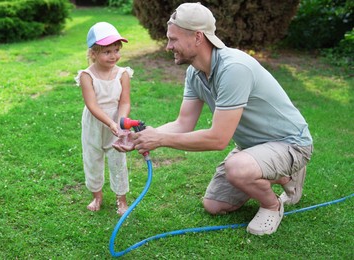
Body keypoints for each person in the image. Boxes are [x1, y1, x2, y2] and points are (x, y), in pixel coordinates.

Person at [113, 3, 313, 235]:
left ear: (197, 37)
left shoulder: (234, 68)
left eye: (174, 39)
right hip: (254, 147)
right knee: (214, 205)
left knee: (236, 168)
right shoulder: (195, 73)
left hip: (291, 143)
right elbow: (183, 124)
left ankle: (271, 205)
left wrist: (160, 140)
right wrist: (140, 138)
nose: (168, 46)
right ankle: (284, 176)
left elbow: (218, 139)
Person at [75, 22, 133, 216]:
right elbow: (92, 105)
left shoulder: (123, 74)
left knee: (118, 159)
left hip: (116, 120)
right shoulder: (86, 76)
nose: (114, 55)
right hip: (95, 122)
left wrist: (121, 122)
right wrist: (109, 123)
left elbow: (124, 102)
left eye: (116, 50)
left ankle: (121, 199)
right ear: (93, 53)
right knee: (93, 158)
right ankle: (97, 195)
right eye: (107, 51)